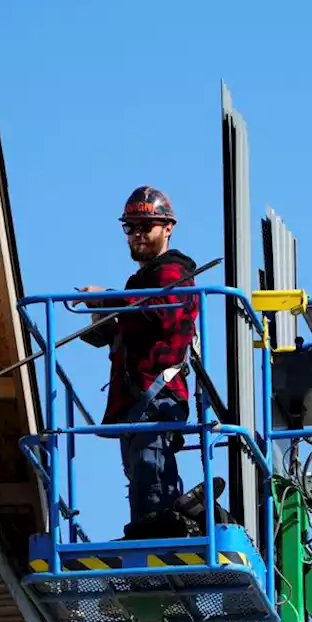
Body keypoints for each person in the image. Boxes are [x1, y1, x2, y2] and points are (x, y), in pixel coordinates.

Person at [79, 186, 200, 538]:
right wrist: (106, 316)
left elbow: (162, 314)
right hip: (137, 399)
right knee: (143, 476)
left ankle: (155, 537)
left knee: (152, 474)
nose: (137, 235)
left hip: (156, 396)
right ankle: (151, 531)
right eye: (131, 227)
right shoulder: (143, 280)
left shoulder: (172, 272)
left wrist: (110, 299)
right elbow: (136, 325)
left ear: (168, 228)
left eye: (146, 226)